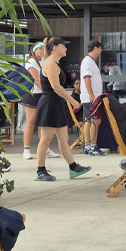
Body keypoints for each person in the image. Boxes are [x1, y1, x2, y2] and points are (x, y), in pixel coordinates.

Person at [33, 38, 91, 182]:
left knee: (63, 139)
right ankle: (40, 171)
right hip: (49, 104)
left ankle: (73, 167)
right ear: (54, 47)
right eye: (63, 46)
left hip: (56, 104)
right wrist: (72, 100)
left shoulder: (55, 63)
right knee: (45, 139)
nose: (65, 48)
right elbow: (56, 87)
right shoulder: (50, 63)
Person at [21, 42, 58, 161]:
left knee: (43, 123)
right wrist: (49, 90)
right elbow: (36, 80)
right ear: (35, 50)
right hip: (32, 94)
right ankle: (26, 149)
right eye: (40, 49)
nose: (42, 51)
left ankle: (45, 149)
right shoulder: (31, 62)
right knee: (31, 122)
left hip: (43, 94)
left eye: (43, 49)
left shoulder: (44, 61)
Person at [80, 40, 105, 156]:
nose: (101, 51)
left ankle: (87, 146)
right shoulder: (88, 61)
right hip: (91, 97)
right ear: (95, 48)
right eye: (100, 48)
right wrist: (91, 94)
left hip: (90, 97)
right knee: (96, 121)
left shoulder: (89, 61)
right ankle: (93, 147)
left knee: (88, 120)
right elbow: (87, 78)